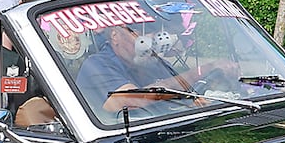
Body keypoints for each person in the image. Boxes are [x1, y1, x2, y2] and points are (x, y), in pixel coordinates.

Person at [75, 20, 230, 113]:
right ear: (115, 36)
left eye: (153, 32)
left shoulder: (152, 63)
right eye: (140, 32)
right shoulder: (97, 64)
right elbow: (131, 99)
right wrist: (203, 70)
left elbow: (183, 91)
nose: (152, 39)